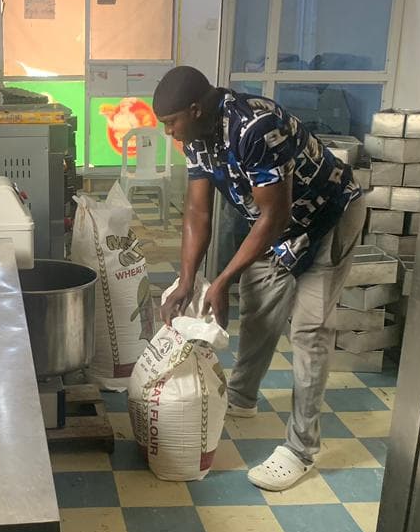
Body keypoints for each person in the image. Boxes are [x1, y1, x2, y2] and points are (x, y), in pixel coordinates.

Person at [152, 67, 366, 491]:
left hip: (326, 219)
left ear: (196, 109)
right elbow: (198, 212)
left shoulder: (254, 126)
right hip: (275, 228)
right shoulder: (195, 137)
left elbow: (276, 213)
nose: (169, 133)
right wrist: (188, 280)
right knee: (259, 310)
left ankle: (301, 449)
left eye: (172, 122)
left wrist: (224, 279)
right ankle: (242, 398)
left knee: (309, 331)